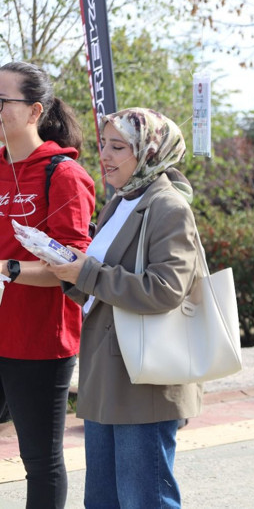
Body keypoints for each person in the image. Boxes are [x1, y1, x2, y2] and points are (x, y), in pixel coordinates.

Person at [47, 108, 200, 508]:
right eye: (104, 146)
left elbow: (167, 290)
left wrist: (88, 274)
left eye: (118, 147)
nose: (106, 156)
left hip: (144, 382)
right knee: (102, 501)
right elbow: (99, 285)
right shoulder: (120, 202)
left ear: (150, 151)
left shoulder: (168, 206)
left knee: (144, 500)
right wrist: (69, 271)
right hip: (106, 376)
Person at [0, 61, 95, 508]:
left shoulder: (64, 175)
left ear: (35, 111)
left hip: (38, 340)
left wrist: (9, 269)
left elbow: (75, 264)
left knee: (39, 459)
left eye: (3, 101)